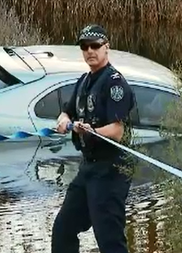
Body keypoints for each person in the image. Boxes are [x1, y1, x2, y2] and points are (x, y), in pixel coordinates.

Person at [52, 24, 137, 253]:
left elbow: (117, 131)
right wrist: (63, 119)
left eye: (95, 46)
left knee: (109, 240)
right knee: (63, 229)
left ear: (106, 47)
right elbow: (67, 111)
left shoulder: (114, 82)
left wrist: (91, 131)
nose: (90, 51)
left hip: (111, 169)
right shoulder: (84, 81)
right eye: (84, 47)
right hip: (88, 168)